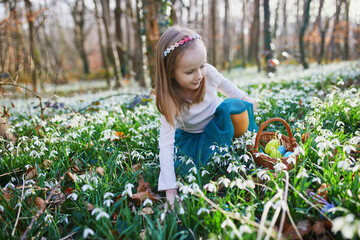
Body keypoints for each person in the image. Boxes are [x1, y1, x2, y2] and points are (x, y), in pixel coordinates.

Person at [154, 25, 258, 206]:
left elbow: (227, 87)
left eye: (201, 66)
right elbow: (166, 144)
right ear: (170, 72)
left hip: (220, 122)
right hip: (194, 137)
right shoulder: (170, 100)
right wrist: (170, 189)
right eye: (189, 72)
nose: (199, 75)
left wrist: (245, 98)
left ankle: (246, 143)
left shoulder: (207, 73)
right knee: (194, 167)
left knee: (236, 107)